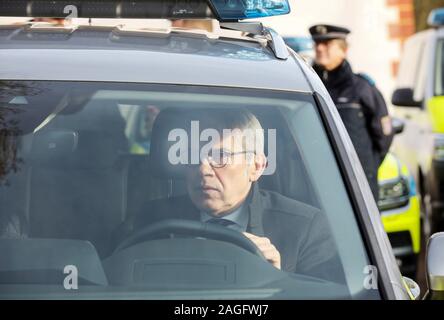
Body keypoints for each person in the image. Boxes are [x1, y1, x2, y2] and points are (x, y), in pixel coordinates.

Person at [114, 108, 345, 283]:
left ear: (256, 166)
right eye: (194, 156)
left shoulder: (305, 229)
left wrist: (280, 282)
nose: (203, 169)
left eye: (220, 156)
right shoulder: (153, 221)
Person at [309, 24, 394, 201]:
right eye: (317, 43)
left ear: (343, 50)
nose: (319, 48)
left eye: (327, 43)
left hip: (359, 181)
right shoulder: (308, 86)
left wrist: (366, 166)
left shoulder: (362, 88)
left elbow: (384, 134)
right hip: (319, 181)